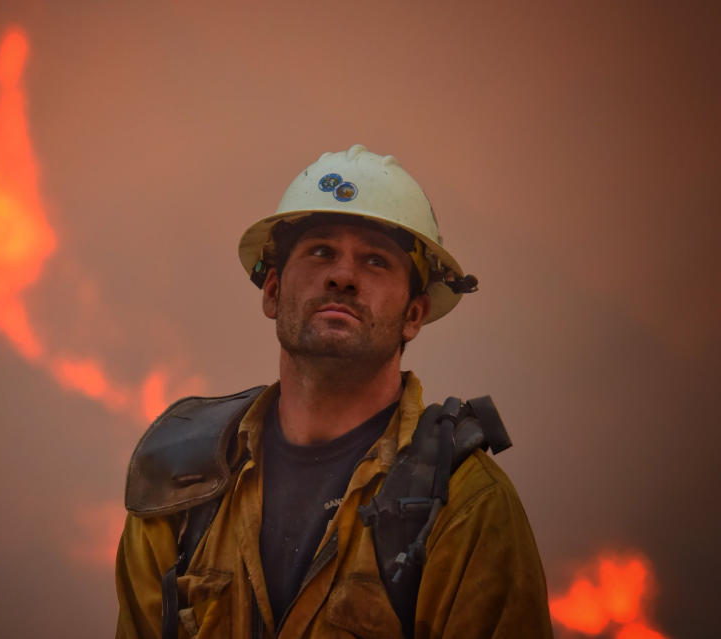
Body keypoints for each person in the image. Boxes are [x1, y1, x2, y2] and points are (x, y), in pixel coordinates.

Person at [115, 144, 553, 638]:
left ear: (414, 315)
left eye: (374, 261)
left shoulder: (466, 504)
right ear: (274, 291)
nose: (343, 276)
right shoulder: (182, 481)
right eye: (321, 251)